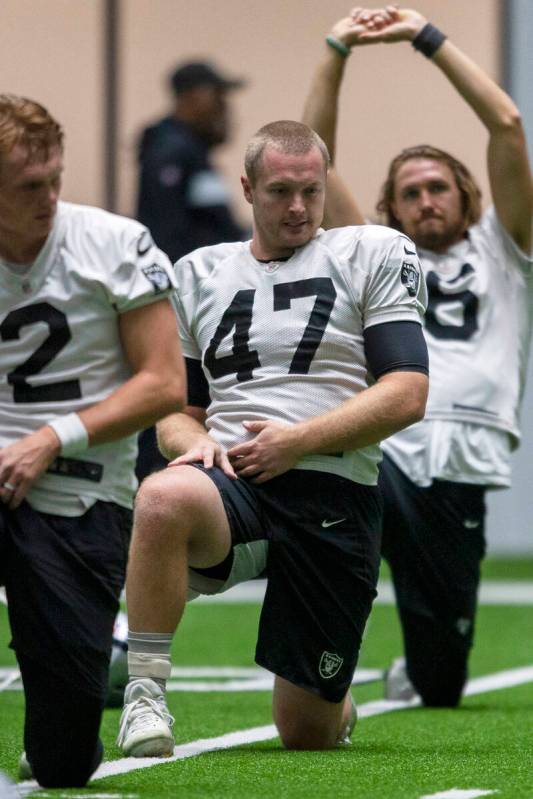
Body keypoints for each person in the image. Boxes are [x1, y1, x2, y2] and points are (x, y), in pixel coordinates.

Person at [116, 119, 429, 757]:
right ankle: (144, 695)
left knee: (305, 734)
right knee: (161, 497)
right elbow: (177, 409)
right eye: (281, 191)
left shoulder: (369, 251)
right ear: (247, 187)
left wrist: (299, 441)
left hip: (334, 495)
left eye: (311, 192)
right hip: (235, 479)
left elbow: (407, 391)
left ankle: (331, 697)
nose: (297, 208)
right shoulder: (199, 272)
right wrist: (186, 444)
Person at [302, 6, 533, 707]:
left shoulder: (505, 248)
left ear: (467, 194)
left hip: (462, 458)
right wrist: (337, 49)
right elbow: (314, 157)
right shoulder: (380, 251)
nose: (425, 200)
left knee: (441, 684)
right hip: (389, 443)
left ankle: (420, 662)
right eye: (410, 193)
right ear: (392, 211)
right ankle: (315, 668)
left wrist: (424, 38)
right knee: (338, 536)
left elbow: (506, 126)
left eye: (438, 186)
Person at [0, 94, 186, 787]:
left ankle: (67, 713)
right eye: (28, 186)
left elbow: (164, 382)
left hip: (79, 494)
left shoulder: (111, 243)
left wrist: (52, 436)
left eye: (55, 177)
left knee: (63, 762)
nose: (49, 196)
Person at [135, 59, 248, 480]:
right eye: (217, 97)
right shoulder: (172, 151)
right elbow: (164, 240)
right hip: (181, 306)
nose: (225, 109)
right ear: (190, 98)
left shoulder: (192, 154)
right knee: (172, 397)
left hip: (202, 303)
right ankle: (155, 485)